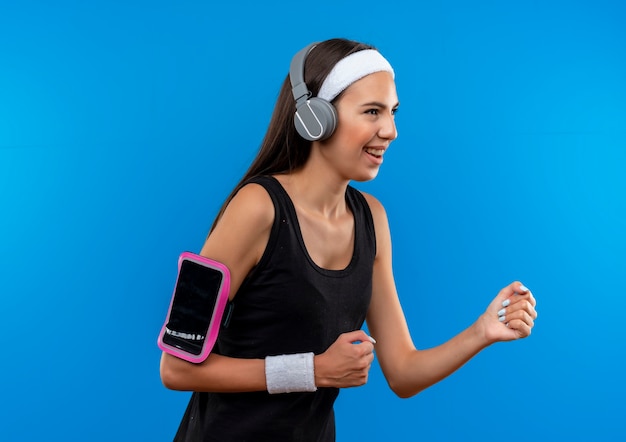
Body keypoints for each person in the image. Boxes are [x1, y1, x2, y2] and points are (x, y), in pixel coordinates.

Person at [159, 38, 538, 441]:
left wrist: (482, 331)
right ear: (315, 117)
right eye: (372, 111)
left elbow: (403, 373)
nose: (389, 131)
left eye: (392, 112)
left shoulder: (372, 219)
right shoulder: (254, 207)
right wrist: (313, 370)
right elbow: (176, 367)